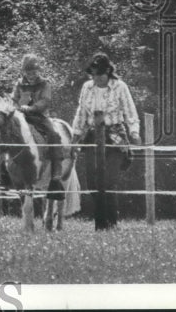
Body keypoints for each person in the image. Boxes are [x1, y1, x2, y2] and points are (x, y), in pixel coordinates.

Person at [70, 52, 141, 229]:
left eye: (99, 74)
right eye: (92, 74)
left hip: (114, 136)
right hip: (93, 136)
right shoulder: (87, 87)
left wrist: (134, 132)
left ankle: (110, 222)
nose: (96, 78)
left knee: (108, 180)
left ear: (108, 71)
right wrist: (75, 136)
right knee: (92, 183)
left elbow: (130, 111)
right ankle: (103, 222)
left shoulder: (120, 87)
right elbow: (81, 113)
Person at [11, 54, 65, 194]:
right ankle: (4, 174)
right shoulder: (19, 84)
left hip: (39, 116)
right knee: (6, 133)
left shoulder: (45, 83)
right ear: (24, 71)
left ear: (38, 71)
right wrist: (16, 106)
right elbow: (14, 99)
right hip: (21, 116)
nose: (31, 75)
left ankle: (56, 174)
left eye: (34, 72)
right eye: (28, 72)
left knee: (54, 135)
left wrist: (32, 108)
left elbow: (45, 100)